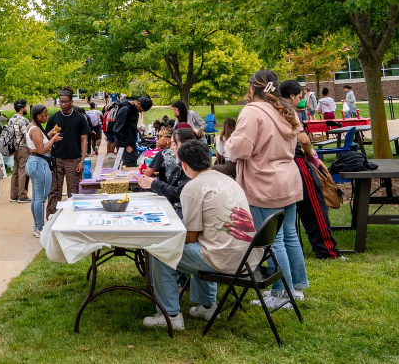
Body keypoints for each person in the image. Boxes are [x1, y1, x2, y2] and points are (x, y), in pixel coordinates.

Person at [143, 139, 258, 330]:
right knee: (201, 245)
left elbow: (191, 237)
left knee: (159, 252)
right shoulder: (228, 179)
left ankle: (170, 315)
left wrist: (167, 236)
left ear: (184, 164)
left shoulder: (192, 187)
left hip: (222, 258)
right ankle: (207, 306)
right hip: (247, 255)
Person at [224, 69, 308, 308]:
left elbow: (239, 149)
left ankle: (283, 294)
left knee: (275, 240)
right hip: (288, 177)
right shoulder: (285, 110)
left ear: (253, 87)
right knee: (289, 235)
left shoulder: (253, 112)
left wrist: (228, 142)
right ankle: (297, 286)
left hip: (264, 181)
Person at [279, 80, 342, 260]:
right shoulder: (288, 111)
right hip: (297, 162)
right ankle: (326, 250)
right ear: (291, 95)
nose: (301, 100)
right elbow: (305, 140)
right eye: (299, 97)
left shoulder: (271, 110)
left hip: (277, 164)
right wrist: (311, 154)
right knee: (314, 207)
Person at [43, 89, 90, 219]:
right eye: (60, 102)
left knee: (73, 190)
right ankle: (51, 217)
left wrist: (82, 160)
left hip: (74, 159)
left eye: (65, 102)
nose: (62, 104)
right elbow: (46, 139)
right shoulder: (53, 118)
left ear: (71, 101)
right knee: (54, 191)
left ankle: (73, 218)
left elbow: (84, 140)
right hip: (56, 159)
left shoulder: (79, 118)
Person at [137, 127, 195, 217]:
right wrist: (150, 185)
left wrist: (153, 184)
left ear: (186, 145)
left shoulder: (191, 166)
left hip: (184, 212)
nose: (171, 148)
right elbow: (172, 187)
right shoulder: (180, 165)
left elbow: (180, 193)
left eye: (174, 144)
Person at [25, 104, 61, 237]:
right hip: (40, 162)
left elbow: (38, 141)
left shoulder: (32, 126)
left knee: (36, 198)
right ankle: (39, 228)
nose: (47, 117)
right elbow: (41, 149)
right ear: (38, 116)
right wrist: (53, 139)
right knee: (40, 198)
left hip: (35, 162)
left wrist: (49, 134)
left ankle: (37, 226)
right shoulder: (35, 129)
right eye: (45, 115)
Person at [113, 96, 153, 167]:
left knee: (134, 160)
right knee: (130, 164)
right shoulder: (125, 110)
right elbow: (117, 130)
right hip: (124, 143)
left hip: (131, 141)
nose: (140, 111)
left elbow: (129, 125)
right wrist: (126, 146)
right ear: (138, 103)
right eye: (141, 109)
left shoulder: (134, 111)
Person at [7, 99, 31, 203]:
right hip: (23, 148)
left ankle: (14, 195)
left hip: (14, 148)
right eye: (25, 107)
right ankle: (22, 195)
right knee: (23, 171)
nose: (26, 109)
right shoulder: (23, 121)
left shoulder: (11, 119)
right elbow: (27, 135)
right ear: (22, 108)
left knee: (15, 171)